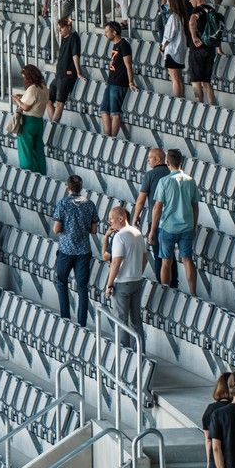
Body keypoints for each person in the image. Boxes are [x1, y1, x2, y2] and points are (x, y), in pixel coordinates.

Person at [53, 174, 99, 327]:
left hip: (66, 250)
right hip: (83, 251)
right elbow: (94, 230)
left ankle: (65, 317)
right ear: (81, 187)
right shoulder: (90, 204)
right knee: (82, 288)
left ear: (68, 187)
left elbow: (56, 229)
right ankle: (82, 323)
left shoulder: (63, 203)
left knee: (62, 283)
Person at [150, 148, 199, 294]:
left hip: (168, 227)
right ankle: (193, 292)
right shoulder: (190, 181)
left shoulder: (164, 181)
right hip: (187, 227)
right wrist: (194, 226)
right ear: (181, 162)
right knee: (187, 259)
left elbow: (157, 207)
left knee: (166, 261)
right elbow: (195, 206)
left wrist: (152, 230)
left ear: (167, 162)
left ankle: (166, 291)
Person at [104, 203, 147, 344]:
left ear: (121, 218)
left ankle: (124, 352)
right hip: (137, 281)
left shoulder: (119, 236)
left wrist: (109, 285)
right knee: (136, 320)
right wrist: (137, 272)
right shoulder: (138, 233)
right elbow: (145, 258)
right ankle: (140, 352)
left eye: (111, 218)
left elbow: (115, 263)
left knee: (121, 321)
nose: (109, 222)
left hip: (122, 282)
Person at [134, 145, 169, 273]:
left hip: (155, 220)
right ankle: (173, 281)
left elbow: (141, 200)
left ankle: (162, 281)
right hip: (171, 221)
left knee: (158, 254)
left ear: (158, 159)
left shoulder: (150, 175)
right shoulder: (171, 173)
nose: (148, 160)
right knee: (169, 256)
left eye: (150, 158)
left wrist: (136, 217)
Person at [186, 0, 222, 105]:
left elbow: (191, 22)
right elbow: (216, 31)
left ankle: (199, 106)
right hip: (210, 50)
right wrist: (218, 48)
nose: (189, 0)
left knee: (196, 82)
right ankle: (212, 106)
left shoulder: (198, 9)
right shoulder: (212, 10)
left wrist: (194, 36)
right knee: (207, 82)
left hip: (198, 50)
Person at [99, 21, 135, 140]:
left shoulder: (124, 45)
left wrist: (130, 82)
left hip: (119, 84)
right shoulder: (116, 44)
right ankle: (108, 137)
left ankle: (112, 139)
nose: (105, 34)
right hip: (111, 82)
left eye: (107, 32)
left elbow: (128, 65)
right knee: (104, 110)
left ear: (114, 32)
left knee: (115, 113)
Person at [12, 63, 49, 173]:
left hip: (28, 122)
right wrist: (22, 97)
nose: (24, 79)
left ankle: (26, 174)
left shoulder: (32, 89)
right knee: (38, 150)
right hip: (39, 122)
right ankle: (42, 173)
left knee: (25, 151)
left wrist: (17, 100)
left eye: (25, 77)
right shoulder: (44, 88)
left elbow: (26, 107)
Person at [48, 15, 83, 125]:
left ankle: (53, 125)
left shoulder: (74, 37)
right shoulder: (64, 37)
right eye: (59, 28)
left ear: (68, 27)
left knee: (59, 103)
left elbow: (75, 55)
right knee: (48, 101)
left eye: (61, 28)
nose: (59, 31)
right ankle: (53, 124)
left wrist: (78, 72)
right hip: (59, 75)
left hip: (66, 76)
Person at [160, 0, 188, 98]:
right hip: (179, 51)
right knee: (179, 78)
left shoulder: (174, 17)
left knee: (175, 79)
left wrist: (163, 47)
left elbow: (169, 35)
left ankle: (177, 99)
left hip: (172, 51)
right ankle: (181, 98)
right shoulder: (181, 16)